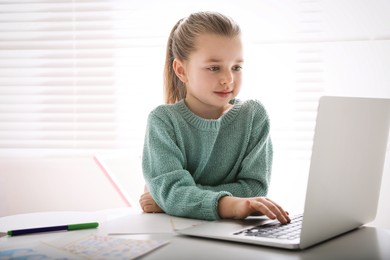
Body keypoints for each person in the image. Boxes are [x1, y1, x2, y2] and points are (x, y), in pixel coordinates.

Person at [139, 11, 290, 224]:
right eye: (213, 68)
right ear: (181, 71)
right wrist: (233, 203)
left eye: (236, 67)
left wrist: (175, 201)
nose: (228, 79)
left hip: (235, 232)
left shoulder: (254, 116)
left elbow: (255, 188)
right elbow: (173, 191)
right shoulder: (163, 121)